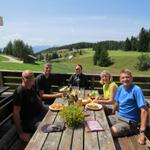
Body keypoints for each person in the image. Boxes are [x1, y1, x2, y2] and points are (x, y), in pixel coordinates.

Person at [108, 69, 148, 145]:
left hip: (129, 123)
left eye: (127, 77)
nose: (125, 79)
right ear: (120, 80)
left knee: (109, 132)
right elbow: (117, 102)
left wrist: (142, 133)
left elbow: (144, 110)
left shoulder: (136, 90)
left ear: (131, 78)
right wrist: (112, 113)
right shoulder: (120, 88)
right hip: (117, 116)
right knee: (101, 124)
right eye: (123, 78)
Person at [13, 70, 47, 142]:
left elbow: (38, 100)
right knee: (46, 128)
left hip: (38, 115)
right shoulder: (20, 92)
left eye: (33, 76)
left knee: (55, 114)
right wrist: (21, 133)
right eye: (28, 77)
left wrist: (46, 109)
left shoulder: (31, 87)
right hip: (29, 122)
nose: (32, 79)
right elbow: (16, 113)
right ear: (22, 79)